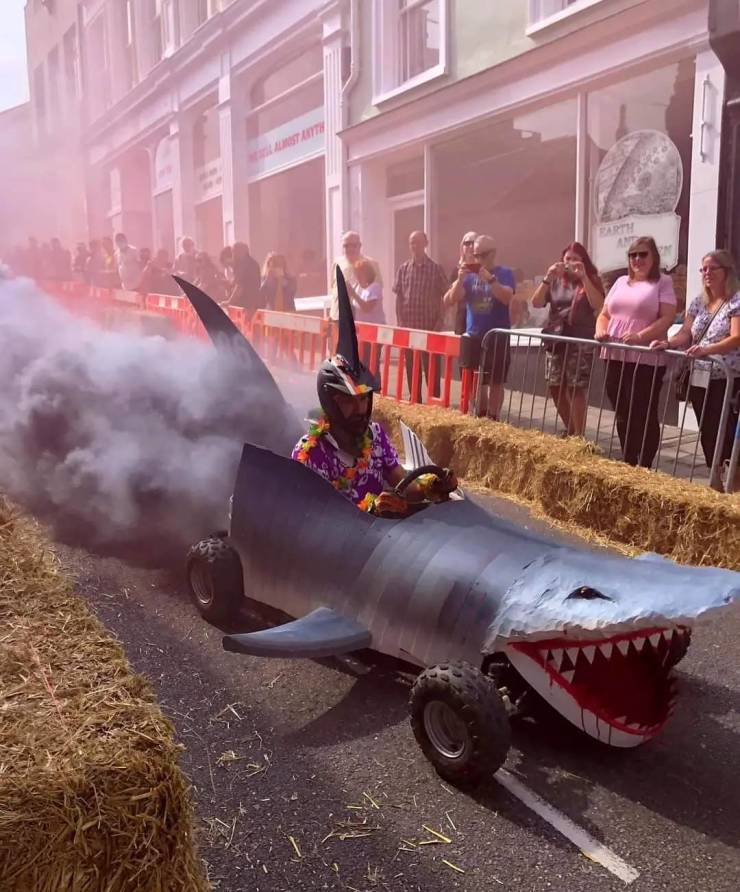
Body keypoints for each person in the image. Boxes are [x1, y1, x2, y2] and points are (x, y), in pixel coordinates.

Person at [292, 267, 457, 516]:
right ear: (330, 402)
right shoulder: (310, 453)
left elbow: (401, 482)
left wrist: (432, 487)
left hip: (385, 535)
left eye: (363, 400)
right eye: (349, 402)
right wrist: (371, 510)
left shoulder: (375, 436)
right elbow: (316, 517)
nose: (360, 409)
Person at [651, 249, 740, 485]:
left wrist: (707, 350)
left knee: (725, 430)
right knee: (707, 429)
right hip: (700, 375)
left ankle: (733, 480)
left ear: (726, 271)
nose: (706, 273)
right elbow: (686, 332)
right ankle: (715, 479)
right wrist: (668, 343)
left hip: (726, 377)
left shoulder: (736, 301)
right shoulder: (699, 302)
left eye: (712, 268)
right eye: (704, 269)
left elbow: (736, 337)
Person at [595, 236, 676, 468]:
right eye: (633, 255)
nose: (637, 259)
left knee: (643, 411)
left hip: (646, 357)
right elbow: (604, 314)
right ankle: (629, 460)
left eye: (642, 254)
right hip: (615, 354)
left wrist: (641, 336)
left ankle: (645, 463)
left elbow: (667, 317)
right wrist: (600, 330)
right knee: (621, 409)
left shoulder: (663, 282)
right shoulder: (621, 282)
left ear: (653, 257)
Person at [531, 242, 605, 435]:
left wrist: (584, 277)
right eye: (567, 259)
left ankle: (578, 435)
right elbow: (536, 302)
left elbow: (598, 304)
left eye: (575, 259)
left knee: (575, 387)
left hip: (580, 340)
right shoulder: (556, 280)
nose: (570, 263)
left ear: (583, 261)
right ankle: (570, 428)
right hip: (556, 338)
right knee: (555, 386)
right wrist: (547, 277)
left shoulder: (591, 279)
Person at [444, 234, 515, 419]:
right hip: (473, 334)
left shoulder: (504, 273)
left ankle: (493, 416)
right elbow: (449, 299)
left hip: (496, 335)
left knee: (496, 380)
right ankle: (480, 413)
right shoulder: (469, 275)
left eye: (483, 255)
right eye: (476, 255)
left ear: (493, 254)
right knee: (474, 379)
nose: (478, 260)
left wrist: (490, 280)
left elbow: (506, 297)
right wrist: (460, 280)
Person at [393, 231, 448, 398]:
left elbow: (446, 297)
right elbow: (399, 298)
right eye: (412, 243)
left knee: (432, 369)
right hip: (409, 329)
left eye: (418, 242)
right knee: (412, 367)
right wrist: (400, 323)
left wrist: (440, 321)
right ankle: (415, 400)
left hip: (430, 328)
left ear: (426, 244)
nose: (415, 246)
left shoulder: (435, 269)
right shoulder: (403, 269)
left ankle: (434, 403)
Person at [329, 231, 382, 334]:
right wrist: (331, 315)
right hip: (338, 317)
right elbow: (334, 290)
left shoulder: (371, 264)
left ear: (360, 246)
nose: (350, 249)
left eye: (354, 245)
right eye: (346, 246)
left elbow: (376, 296)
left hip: (360, 321)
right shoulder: (337, 263)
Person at [354, 258, 386, 375]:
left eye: (360, 273)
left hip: (374, 332)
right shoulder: (358, 287)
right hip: (361, 333)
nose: (358, 277)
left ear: (367, 273)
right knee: (362, 363)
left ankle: (375, 385)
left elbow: (367, 308)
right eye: (356, 274)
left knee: (372, 365)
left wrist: (353, 294)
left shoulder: (375, 287)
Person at [447, 232, 478, 335]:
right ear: (462, 248)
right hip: (462, 322)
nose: (470, 246)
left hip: (481, 323)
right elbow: (449, 300)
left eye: (474, 243)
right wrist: (460, 279)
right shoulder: (457, 270)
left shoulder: (485, 268)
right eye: (467, 243)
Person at [227, 241, 261, 317]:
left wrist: (229, 302)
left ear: (243, 251)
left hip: (247, 305)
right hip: (248, 304)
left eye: (235, 251)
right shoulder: (249, 263)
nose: (233, 254)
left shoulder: (245, 265)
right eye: (232, 251)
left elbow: (240, 286)